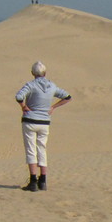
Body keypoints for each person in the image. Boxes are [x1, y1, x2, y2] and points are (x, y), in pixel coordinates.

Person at [15, 61, 71, 192]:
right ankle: (43, 180)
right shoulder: (52, 86)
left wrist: (23, 106)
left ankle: (33, 181)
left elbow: (19, 96)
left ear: (33, 73)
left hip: (30, 120)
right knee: (42, 148)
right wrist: (53, 107)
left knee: (31, 149)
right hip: (44, 122)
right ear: (45, 73)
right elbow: (68, 97)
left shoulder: (30, 85)